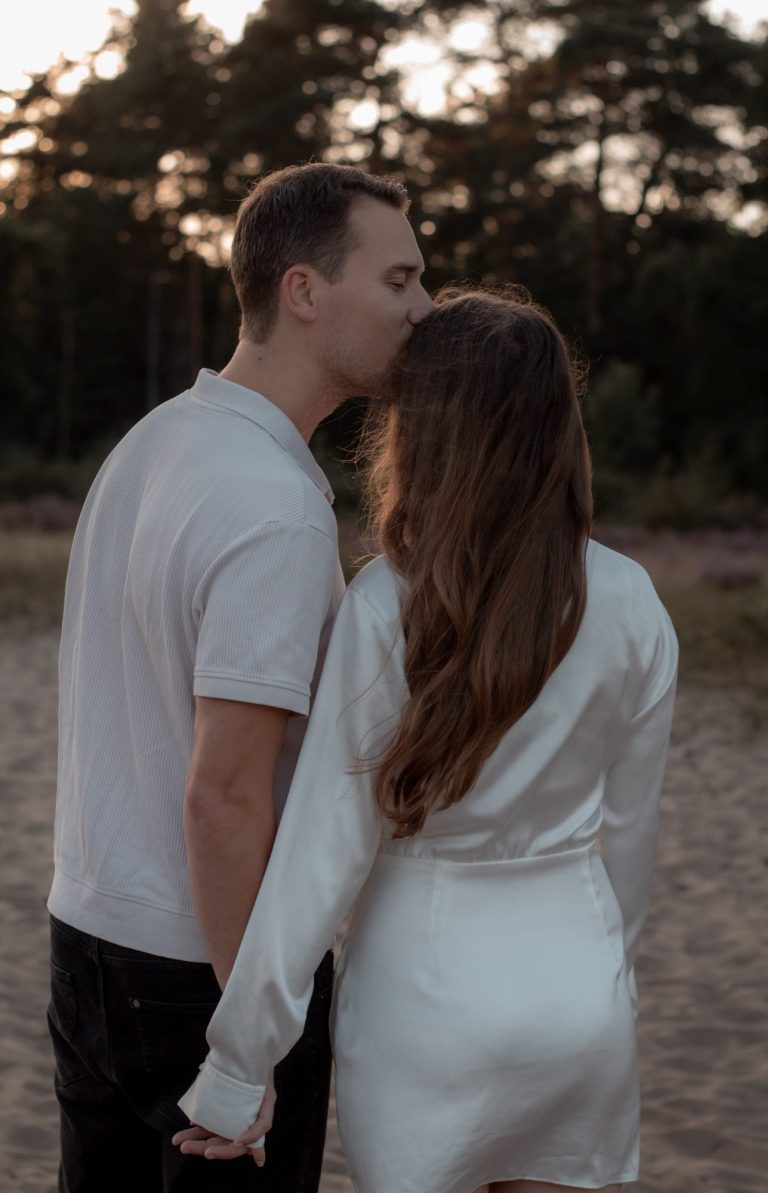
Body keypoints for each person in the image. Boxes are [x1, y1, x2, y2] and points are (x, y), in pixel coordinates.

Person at [173, 286, 679, 1193]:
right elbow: (633, 837)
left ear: (424, 430)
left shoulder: (385, 603)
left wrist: (238, 1066)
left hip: (422, 1000)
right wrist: (610, 979)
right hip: (577, 989)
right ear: (558, 426)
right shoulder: (636, 598)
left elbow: (319, 860)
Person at [46, 161, 433, 1193]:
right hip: (204, 971)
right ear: (304, 291)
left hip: (88, 937)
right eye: (397, 279)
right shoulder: (272, 502)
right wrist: (248, 1031)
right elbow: (223, 794)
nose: (424, 307)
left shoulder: (153, 442)